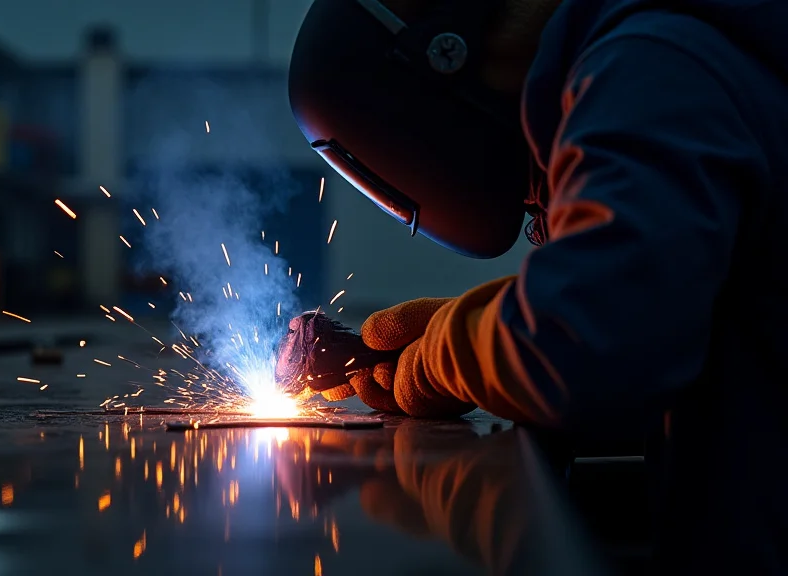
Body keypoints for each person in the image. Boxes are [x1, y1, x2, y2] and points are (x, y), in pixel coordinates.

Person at [288, 0, 788, 572]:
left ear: (447, 55)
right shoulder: (674, 52)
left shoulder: (650, 65)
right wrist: (496, 327)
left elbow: (590, 347)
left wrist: (453, 350)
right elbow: (667, 314)